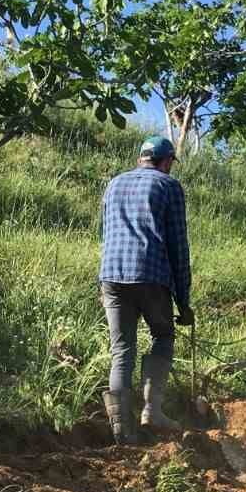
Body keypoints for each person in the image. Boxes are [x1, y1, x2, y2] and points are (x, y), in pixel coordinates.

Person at [99, 135, 194, 445]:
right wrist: (183, 301)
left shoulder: (114, 183)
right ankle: (152, 411)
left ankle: (121, 432)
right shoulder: (168, 186)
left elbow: (107, 230)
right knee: (163, 336)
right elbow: (179, 246)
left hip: (112, 275)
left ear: (142, 157)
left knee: (121, 350)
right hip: (151, 274)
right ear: (166, 161)